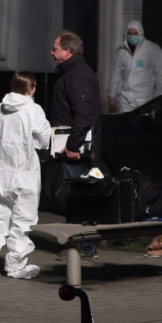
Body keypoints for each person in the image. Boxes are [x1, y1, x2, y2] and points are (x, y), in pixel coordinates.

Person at [0, 72, 52, 279]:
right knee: (23, 222)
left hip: (2, 172)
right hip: (26, 172)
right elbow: (43, 137)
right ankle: (15, 266)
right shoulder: (33, 109)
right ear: (30, 88)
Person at [49, 30, 103, 260]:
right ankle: (84, 245)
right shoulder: (75, 73)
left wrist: (72, 146)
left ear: (68, 51)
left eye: (56, 48)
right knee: (79, 199)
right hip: (74, 149)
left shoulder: (77, 75)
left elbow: (83, 115)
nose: (52, 52)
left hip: (75, 152)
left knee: (79, 199)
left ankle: (85, 247)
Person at [107, 20, 162, 114]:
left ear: (141, 33)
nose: (132, 36)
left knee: (144, 127)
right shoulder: (121, 51)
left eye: (135, 33)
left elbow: (160, 73)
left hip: (146, 99)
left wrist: (159, 96)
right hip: (125, 99)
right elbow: (115, 73)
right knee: (126, 126)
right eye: (130, 33)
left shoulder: (153, 50)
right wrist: (111, 95)